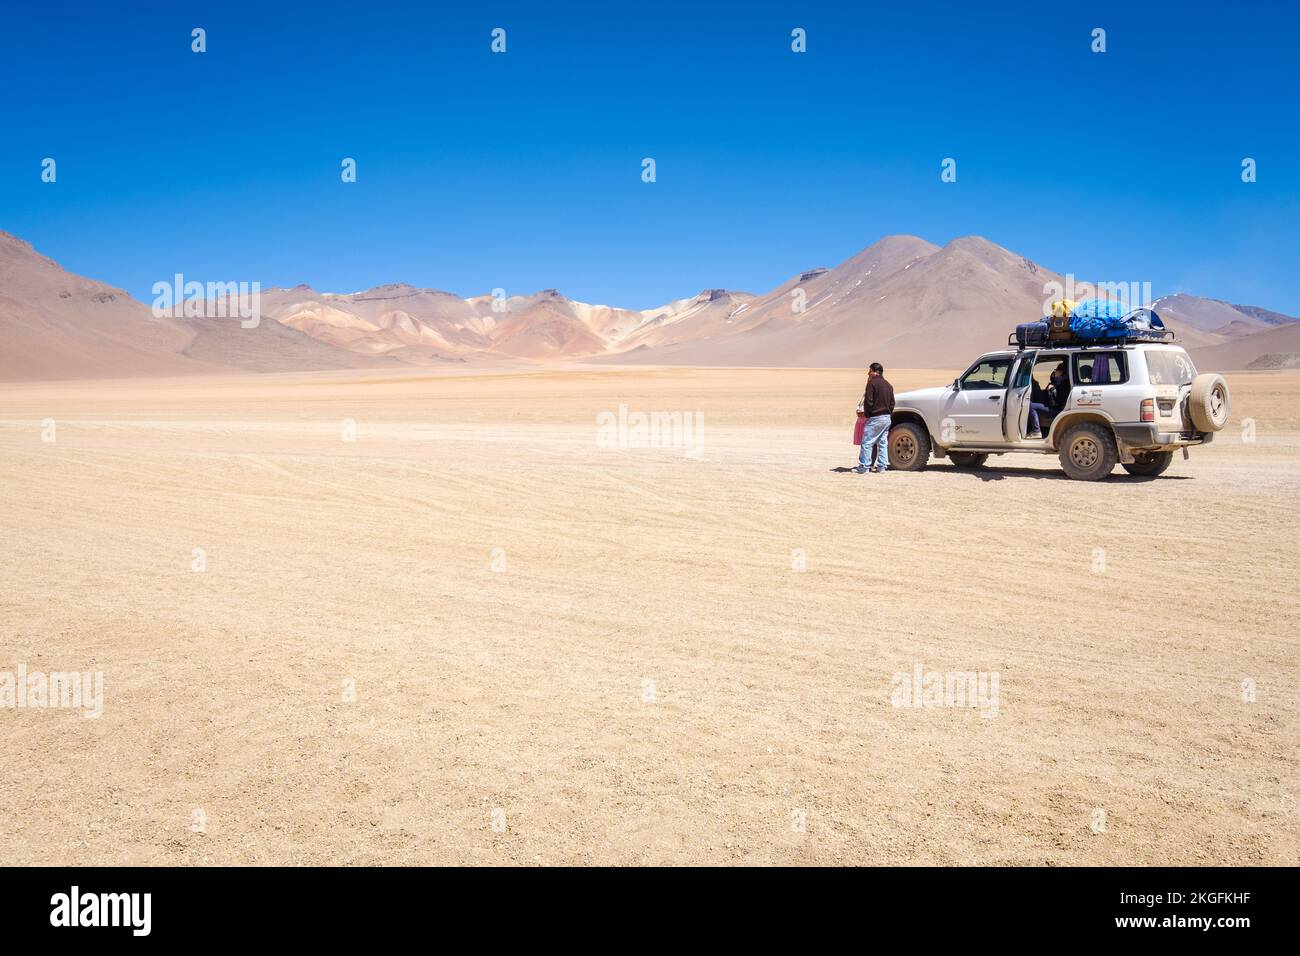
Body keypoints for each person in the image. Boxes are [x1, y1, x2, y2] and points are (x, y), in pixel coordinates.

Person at [854, 362, 895, 474]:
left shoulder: (872, 383)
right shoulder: (888, 385)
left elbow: (868, 401)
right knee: (882, 442)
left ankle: (864, 467)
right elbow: (892, 403)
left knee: (867, 442)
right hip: (886, 418)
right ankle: (882, 467)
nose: (868, 373)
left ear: (874, 371)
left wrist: (868, 414)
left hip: (875, 417)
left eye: (869, 371)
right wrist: (887, 413)